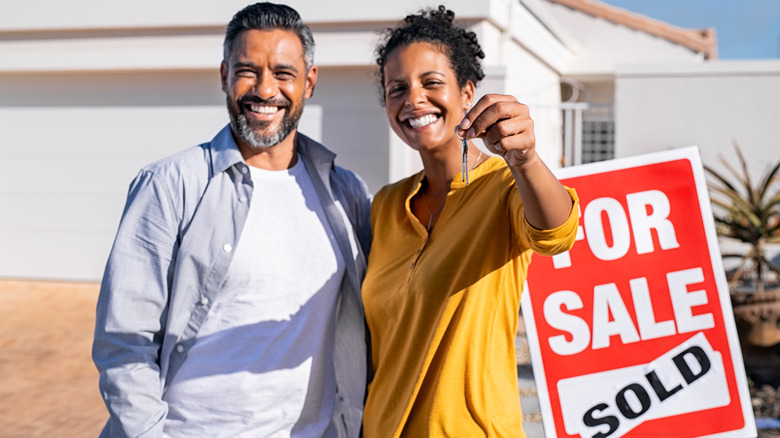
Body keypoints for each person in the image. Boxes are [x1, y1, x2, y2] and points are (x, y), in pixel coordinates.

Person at [92, 3, 371, 437]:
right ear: (224, 76)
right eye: (247, 70)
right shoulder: (169, 185)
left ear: (309, 83)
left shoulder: (345, 192)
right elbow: (124, 342)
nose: (264, 89)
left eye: (283, 73)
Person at [361, 6, 579, 437]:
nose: (413, 99)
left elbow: (558, 233)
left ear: (467, 92)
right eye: (396, 88)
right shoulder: (386, 206)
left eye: (431, 82)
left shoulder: (503, 187)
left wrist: (525, 159)